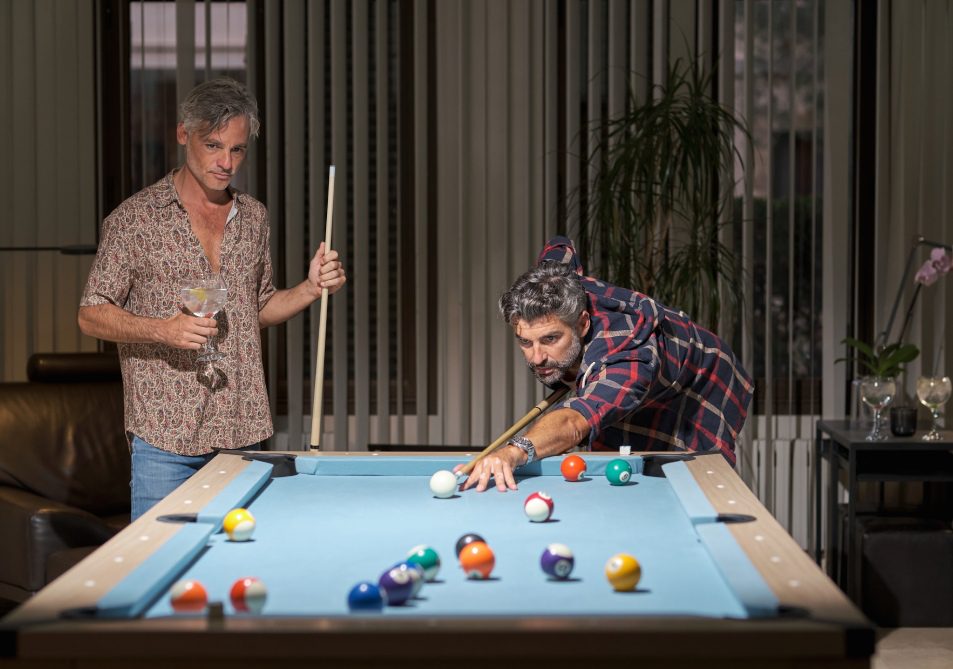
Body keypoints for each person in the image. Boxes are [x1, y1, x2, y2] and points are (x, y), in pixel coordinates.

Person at [78, 78, 347, 519]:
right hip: (165, 440)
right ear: (183, 135)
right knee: (156, 566)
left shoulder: (253, 217)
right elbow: (90, 314)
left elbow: (255, 310)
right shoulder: (134, 220)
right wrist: (163, 330)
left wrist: (310, 287)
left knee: (238, 568)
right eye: (213, 145)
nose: (225, 162)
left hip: (242, 433)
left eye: (237, 150)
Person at [459, 236, 753, 492]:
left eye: (550, 339)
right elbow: (561, 245)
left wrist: (514, 451)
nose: (536, 358)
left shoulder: (630, 358)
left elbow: (575, 422)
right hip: (639, 373)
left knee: (680, 474)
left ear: (583, 323)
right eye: (526, 342)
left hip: (703, 388)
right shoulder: (555, 282)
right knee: (612, 457)